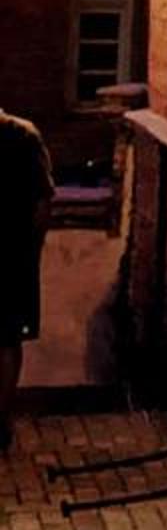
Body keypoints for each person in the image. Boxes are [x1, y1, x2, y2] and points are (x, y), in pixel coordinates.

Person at [0, 108, 56, 452]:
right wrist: (31, 250)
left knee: (7, 340)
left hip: (12, 257)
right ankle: (1, 419)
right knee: (7, 340)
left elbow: (42, 202)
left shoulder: (24, 136)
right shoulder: (24, 136)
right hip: (13, 258)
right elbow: (42, 203)